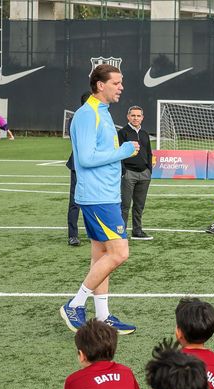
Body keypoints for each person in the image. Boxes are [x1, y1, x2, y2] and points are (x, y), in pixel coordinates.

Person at [60, 64, 140, 333]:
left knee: (101, 257)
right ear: (99, 85)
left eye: (121, 82)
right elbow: (86, 158)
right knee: (120, 253)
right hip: (97, 197)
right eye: (116, 83)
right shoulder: (87, 115)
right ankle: (75, 303)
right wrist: (124, 150)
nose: (121, 87)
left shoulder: (103, 113)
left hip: (106, 194)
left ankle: (103, 315)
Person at [116, 106, 153, 240]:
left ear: (142, 118)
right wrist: (123, 171)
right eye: (133, 115)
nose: (135, 118)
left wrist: (149, 170)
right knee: (125, 205)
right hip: (129, 173)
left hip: (144, 174)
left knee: (139, 205)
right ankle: (121, 232)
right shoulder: (122, 133)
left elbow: (149, 153)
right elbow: (118, 153)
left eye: (138, 116)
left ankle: (137, 231)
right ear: (128, 116)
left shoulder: (144, 133)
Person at [66, 92, 92, 246]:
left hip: (95, 166)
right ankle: (73, 235)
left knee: (94, 201)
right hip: (79, 166)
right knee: (75, 202)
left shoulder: (99, 117)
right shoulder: (75, 119)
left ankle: (94, 233)